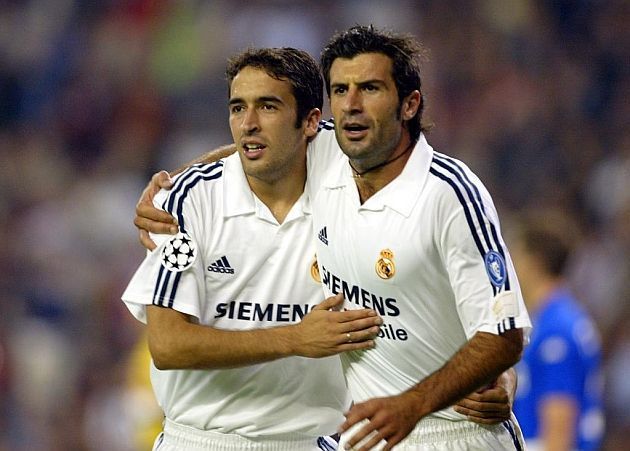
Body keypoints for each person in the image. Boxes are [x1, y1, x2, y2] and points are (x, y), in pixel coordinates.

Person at [135, 26, 530, 450]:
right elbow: (168, 343)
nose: (352, 105)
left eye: (371, 88)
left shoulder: (407, 182)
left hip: (414, 433)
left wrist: (487, 377)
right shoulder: (201, 198)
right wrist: (172, 184)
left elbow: (500, 329)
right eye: (340, 90)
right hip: (248, 439)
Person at [122, 47, 384, 451]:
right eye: (237, 108)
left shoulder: (344, 175)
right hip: (201, 442)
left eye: (268, 106)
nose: (248, 124)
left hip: (311, 441)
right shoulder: (188, 202)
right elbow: (168, 345)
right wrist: (295, 338)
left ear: (312, 121)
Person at [509, 211, 604, 450]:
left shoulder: (556, 331)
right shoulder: (557, 319)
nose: (511, 267)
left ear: (534, 262)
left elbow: (559, 428)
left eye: (516, 256)